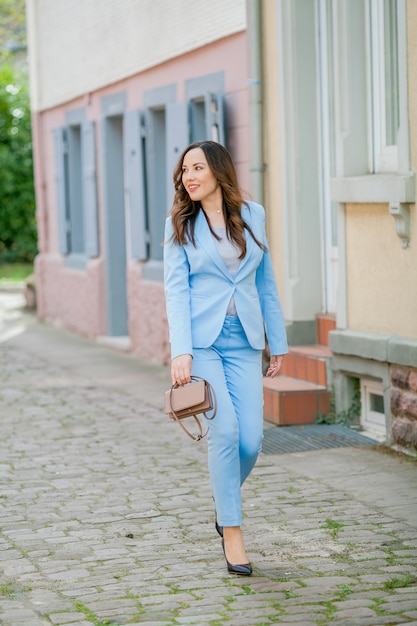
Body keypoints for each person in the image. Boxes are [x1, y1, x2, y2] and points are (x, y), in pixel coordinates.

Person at [163, 140, 288, 576]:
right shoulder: (179, 225)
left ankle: (223, 499)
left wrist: (279, 339)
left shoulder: (253, 216)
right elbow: (176, 291)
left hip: (246, 340)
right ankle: (233, 533)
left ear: (218, 170)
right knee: (226, 431)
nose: (189, 177)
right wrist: (181, 350)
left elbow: (265, 281)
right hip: (203, 343)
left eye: (197, 167)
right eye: (184, 171)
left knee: (251, 440)